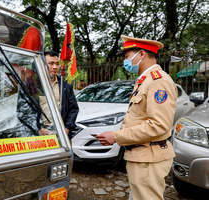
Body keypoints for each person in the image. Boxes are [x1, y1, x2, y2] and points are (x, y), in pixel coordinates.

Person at [95, 35, 177, 200]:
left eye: (126, 57)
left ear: (141, 54)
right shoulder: (145, 80)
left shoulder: (158, 82)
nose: (125, 61)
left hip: (148, 157)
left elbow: (158, 125)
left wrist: (116, 136)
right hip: (141, 155)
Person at [16, 51, 79, 137]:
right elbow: (23, 111)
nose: (55, 67)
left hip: (62, 133)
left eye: (57, 64)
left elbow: (73, 109)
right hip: (39, 134)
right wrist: (38, 129)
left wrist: (67, 128)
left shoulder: (65, 85)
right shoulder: (30, 85)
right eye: (51, 63)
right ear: (41, 65)